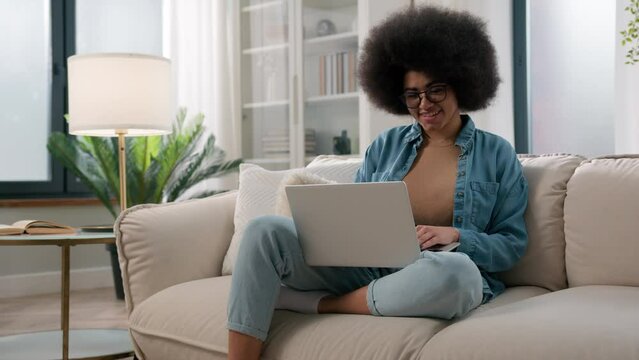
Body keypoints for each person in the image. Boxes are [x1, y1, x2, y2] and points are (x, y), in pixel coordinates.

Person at [227, 5, 528, 359]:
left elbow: (511, 245)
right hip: (366, 268)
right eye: (412, 94)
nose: (423, 104)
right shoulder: (386, 146)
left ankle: (324, 305)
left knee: (459, 273)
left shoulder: (496, 154)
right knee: (264, 230)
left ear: (463, 84)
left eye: (435, 90)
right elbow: (356, 217)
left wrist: (458, 237)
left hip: (434, 273)